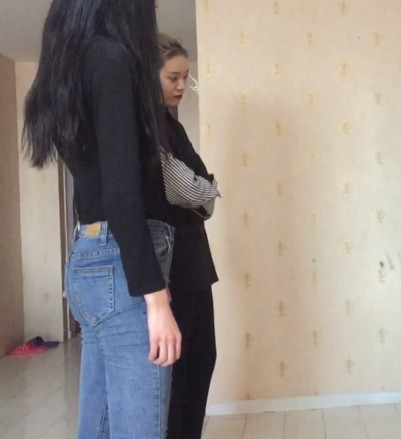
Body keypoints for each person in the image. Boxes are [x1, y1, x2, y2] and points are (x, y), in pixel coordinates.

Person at [22, 0, 181, 438]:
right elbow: (122, 193)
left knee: (101, 427)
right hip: (119, 266)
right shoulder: (111, 59)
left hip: (92, 257)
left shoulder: (70, 63)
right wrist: (156, 298)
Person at [156, 33, 220, 439]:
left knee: (202, 359)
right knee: (178, 373)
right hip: (173, 265)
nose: (182, 86)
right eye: (173, 78)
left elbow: (203, 195)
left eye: (186, 78)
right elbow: (190, 188)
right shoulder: (149, 126)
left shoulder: (172, 125)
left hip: (195, 261)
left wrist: (204, 189)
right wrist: (206, 188)